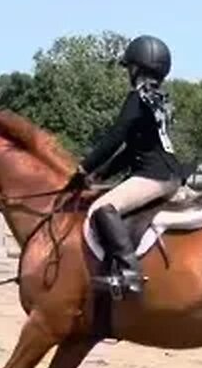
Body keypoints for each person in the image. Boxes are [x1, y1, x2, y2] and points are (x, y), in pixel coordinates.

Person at [68, 35, 183, 297]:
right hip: (171, 174)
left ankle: (130, 273)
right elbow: (132, 149)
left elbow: (115, 138)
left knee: (101, 208)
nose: (128, 73)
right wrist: (100, 174)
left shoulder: (137, 98)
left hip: (154, 176)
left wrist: (82, 169)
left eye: (130, 67)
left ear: (138, 67)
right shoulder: (159, 99)